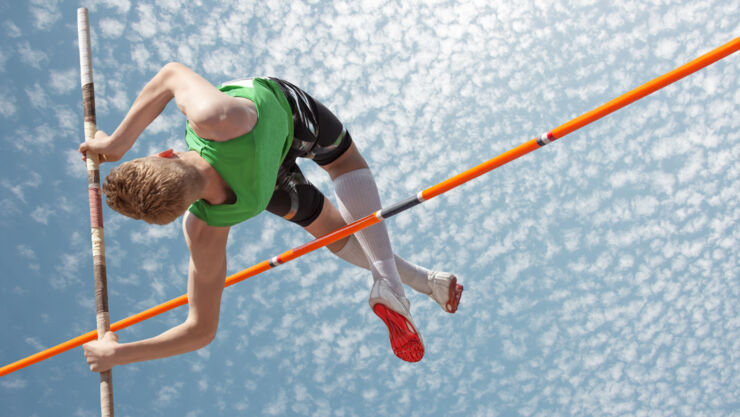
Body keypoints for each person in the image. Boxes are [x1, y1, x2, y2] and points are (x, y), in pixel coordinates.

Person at [80, 63, 463, 368]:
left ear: (176, 210)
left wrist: (118, 353)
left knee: (335, 234)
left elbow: (200, 330)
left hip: (267, 189)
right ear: (165, 154)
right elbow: (168, 75)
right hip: (289, 120)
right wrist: (114, 144)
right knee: (345, 164)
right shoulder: (214, 117)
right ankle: (390, 282)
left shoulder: (204, 227)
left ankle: (425, 282)